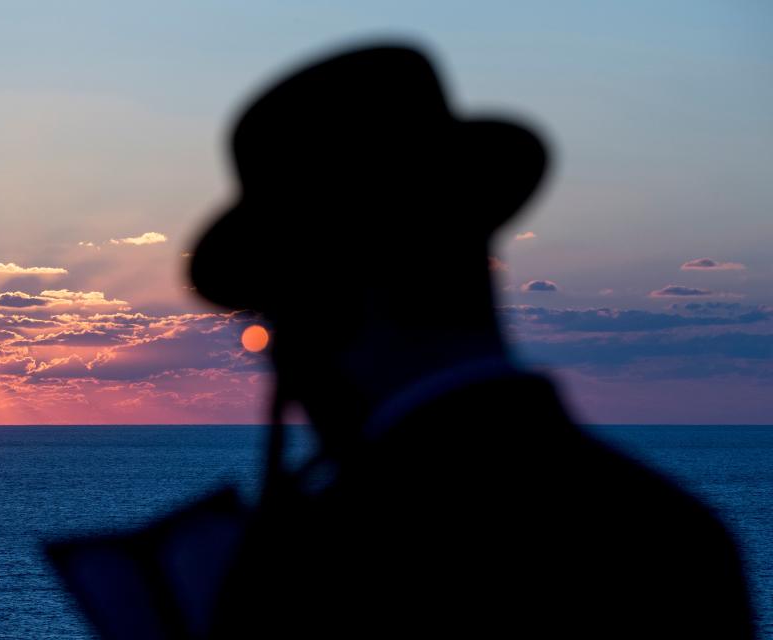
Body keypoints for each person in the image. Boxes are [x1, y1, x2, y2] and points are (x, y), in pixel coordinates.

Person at [188, 43, 755, 638]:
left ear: (325, 309)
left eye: (270, 322)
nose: (275, 353)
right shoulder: (671, 529)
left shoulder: (332, 556)